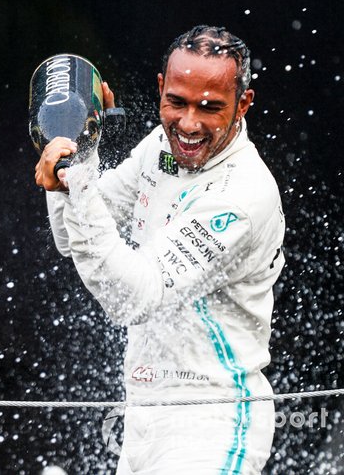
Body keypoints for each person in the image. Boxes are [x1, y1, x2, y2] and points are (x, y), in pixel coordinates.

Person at [35, 26, 285, 474]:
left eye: (211, 108)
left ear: (243, 104)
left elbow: (132, 298)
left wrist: (76, 181)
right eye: (177, 102)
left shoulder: (244, 194)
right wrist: (81, 152)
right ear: (160, 90)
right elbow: (72, 236)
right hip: (142, 416)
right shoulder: (159, 145)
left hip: (212, 421)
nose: (189, 124)